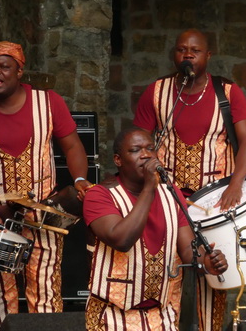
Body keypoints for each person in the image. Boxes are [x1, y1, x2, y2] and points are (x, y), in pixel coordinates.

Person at [0, 41, 93, 330]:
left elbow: (72, 146)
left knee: (45, 291)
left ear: (19, 71)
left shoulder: (49, 102)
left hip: (42, 214)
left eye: (4, 66)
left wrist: (80, 180)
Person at [133, 29, 246, 330]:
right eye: (181, 50)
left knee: (211, 275)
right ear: (174, 55)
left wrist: (236, 184)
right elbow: (138, 143)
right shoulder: (157, 92)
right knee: (167, 272)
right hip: (167, 200)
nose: (187, 55)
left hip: (215, 201)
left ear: (207, 55)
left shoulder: (227, 92)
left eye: (195, 50)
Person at [83, 127, 228, 330]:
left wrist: (206, 262)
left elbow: (187, 249)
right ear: (118, 160)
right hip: (112, 317)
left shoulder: (171, 193)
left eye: (150, 148)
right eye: (135, 150)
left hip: (160, 316)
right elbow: (121, 240)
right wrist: (150, 187)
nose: (145, 155)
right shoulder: (99, 196)